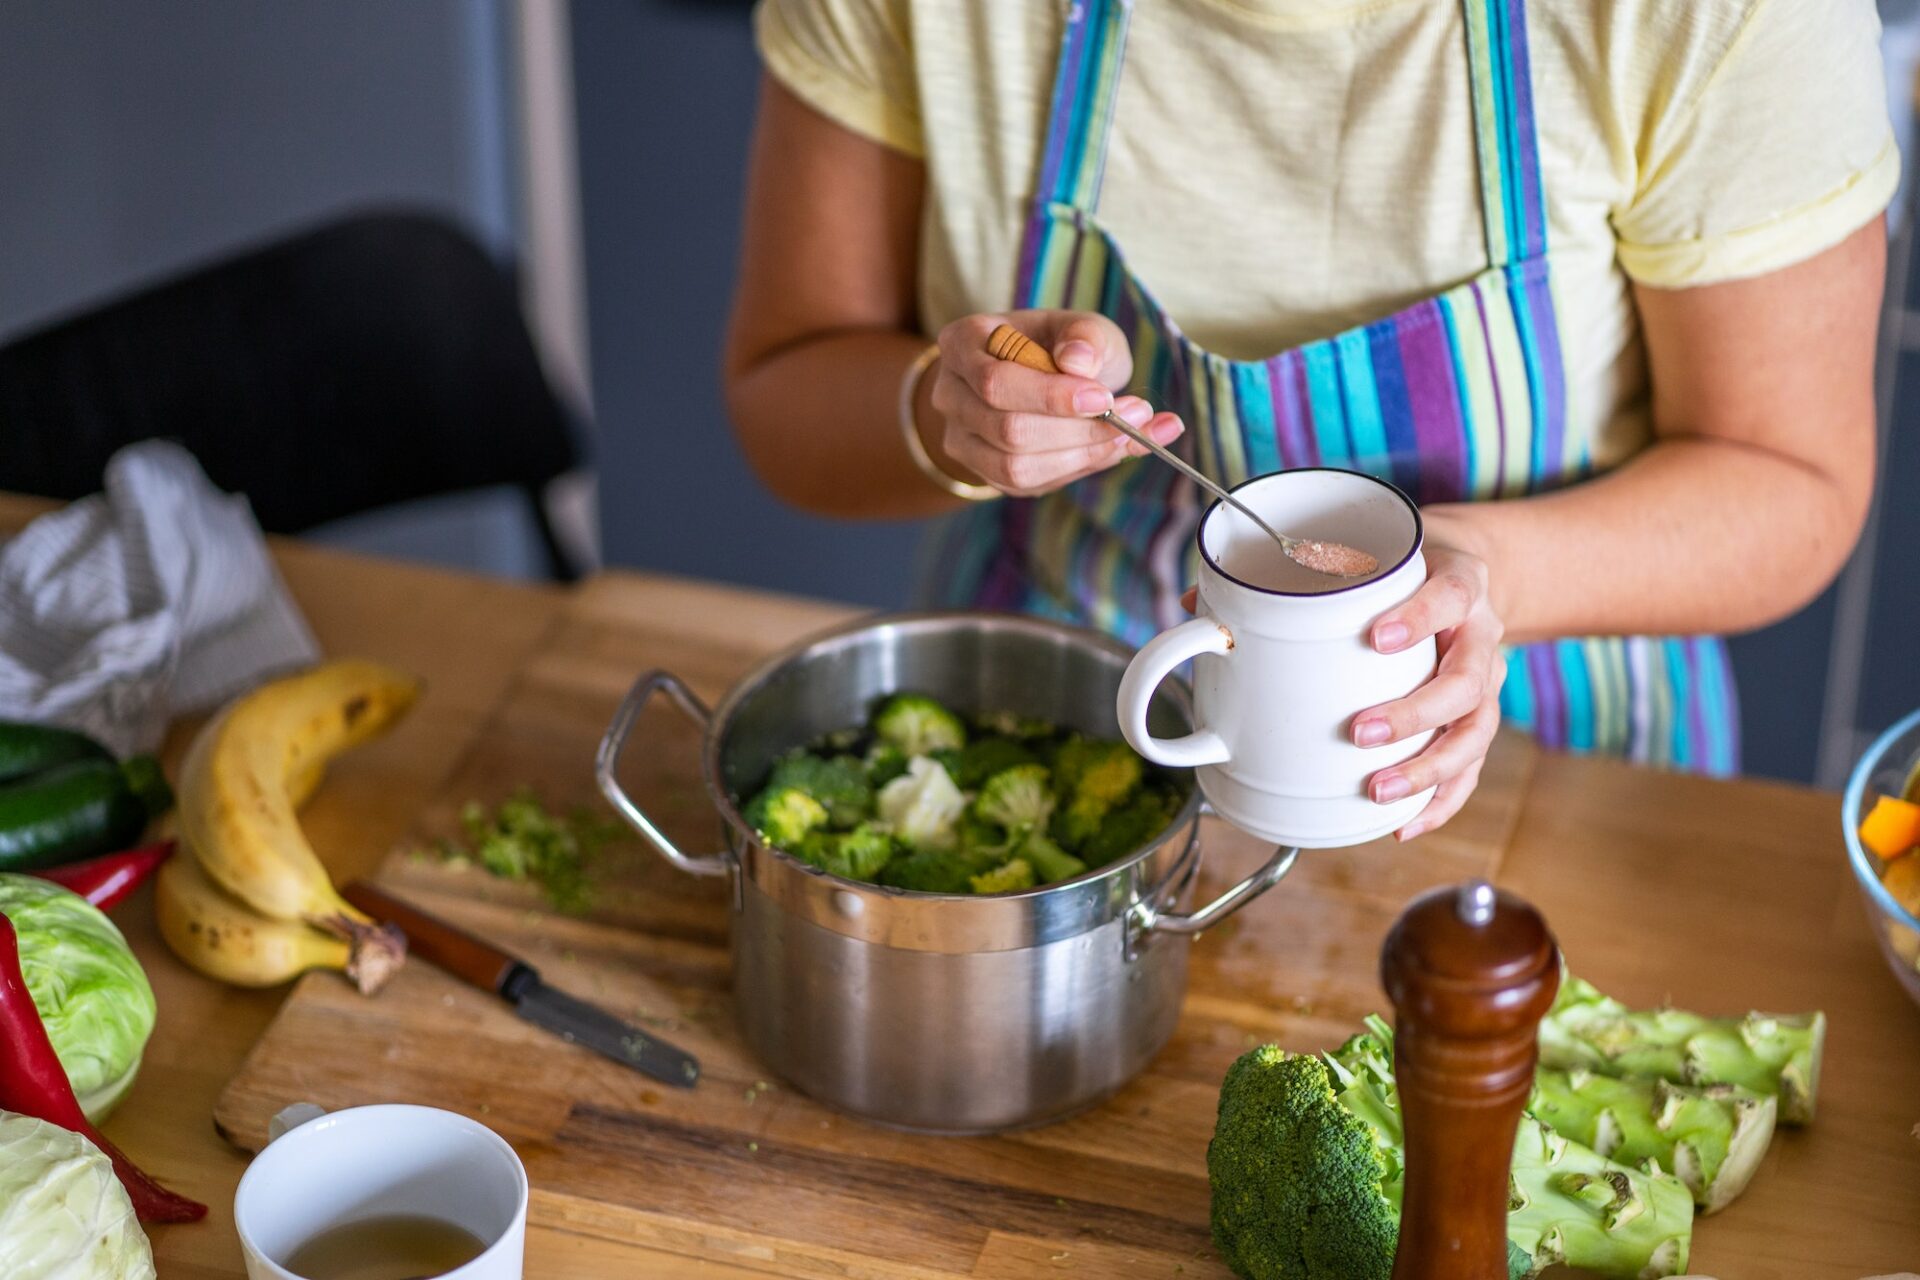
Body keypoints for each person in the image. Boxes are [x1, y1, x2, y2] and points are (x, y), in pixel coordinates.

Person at [724, 0, 1894, 839]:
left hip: (1571, 768)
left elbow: (1794, 475)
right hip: (1059, 714)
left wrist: (1493, 572)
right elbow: (785, 389)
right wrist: (946, 414)